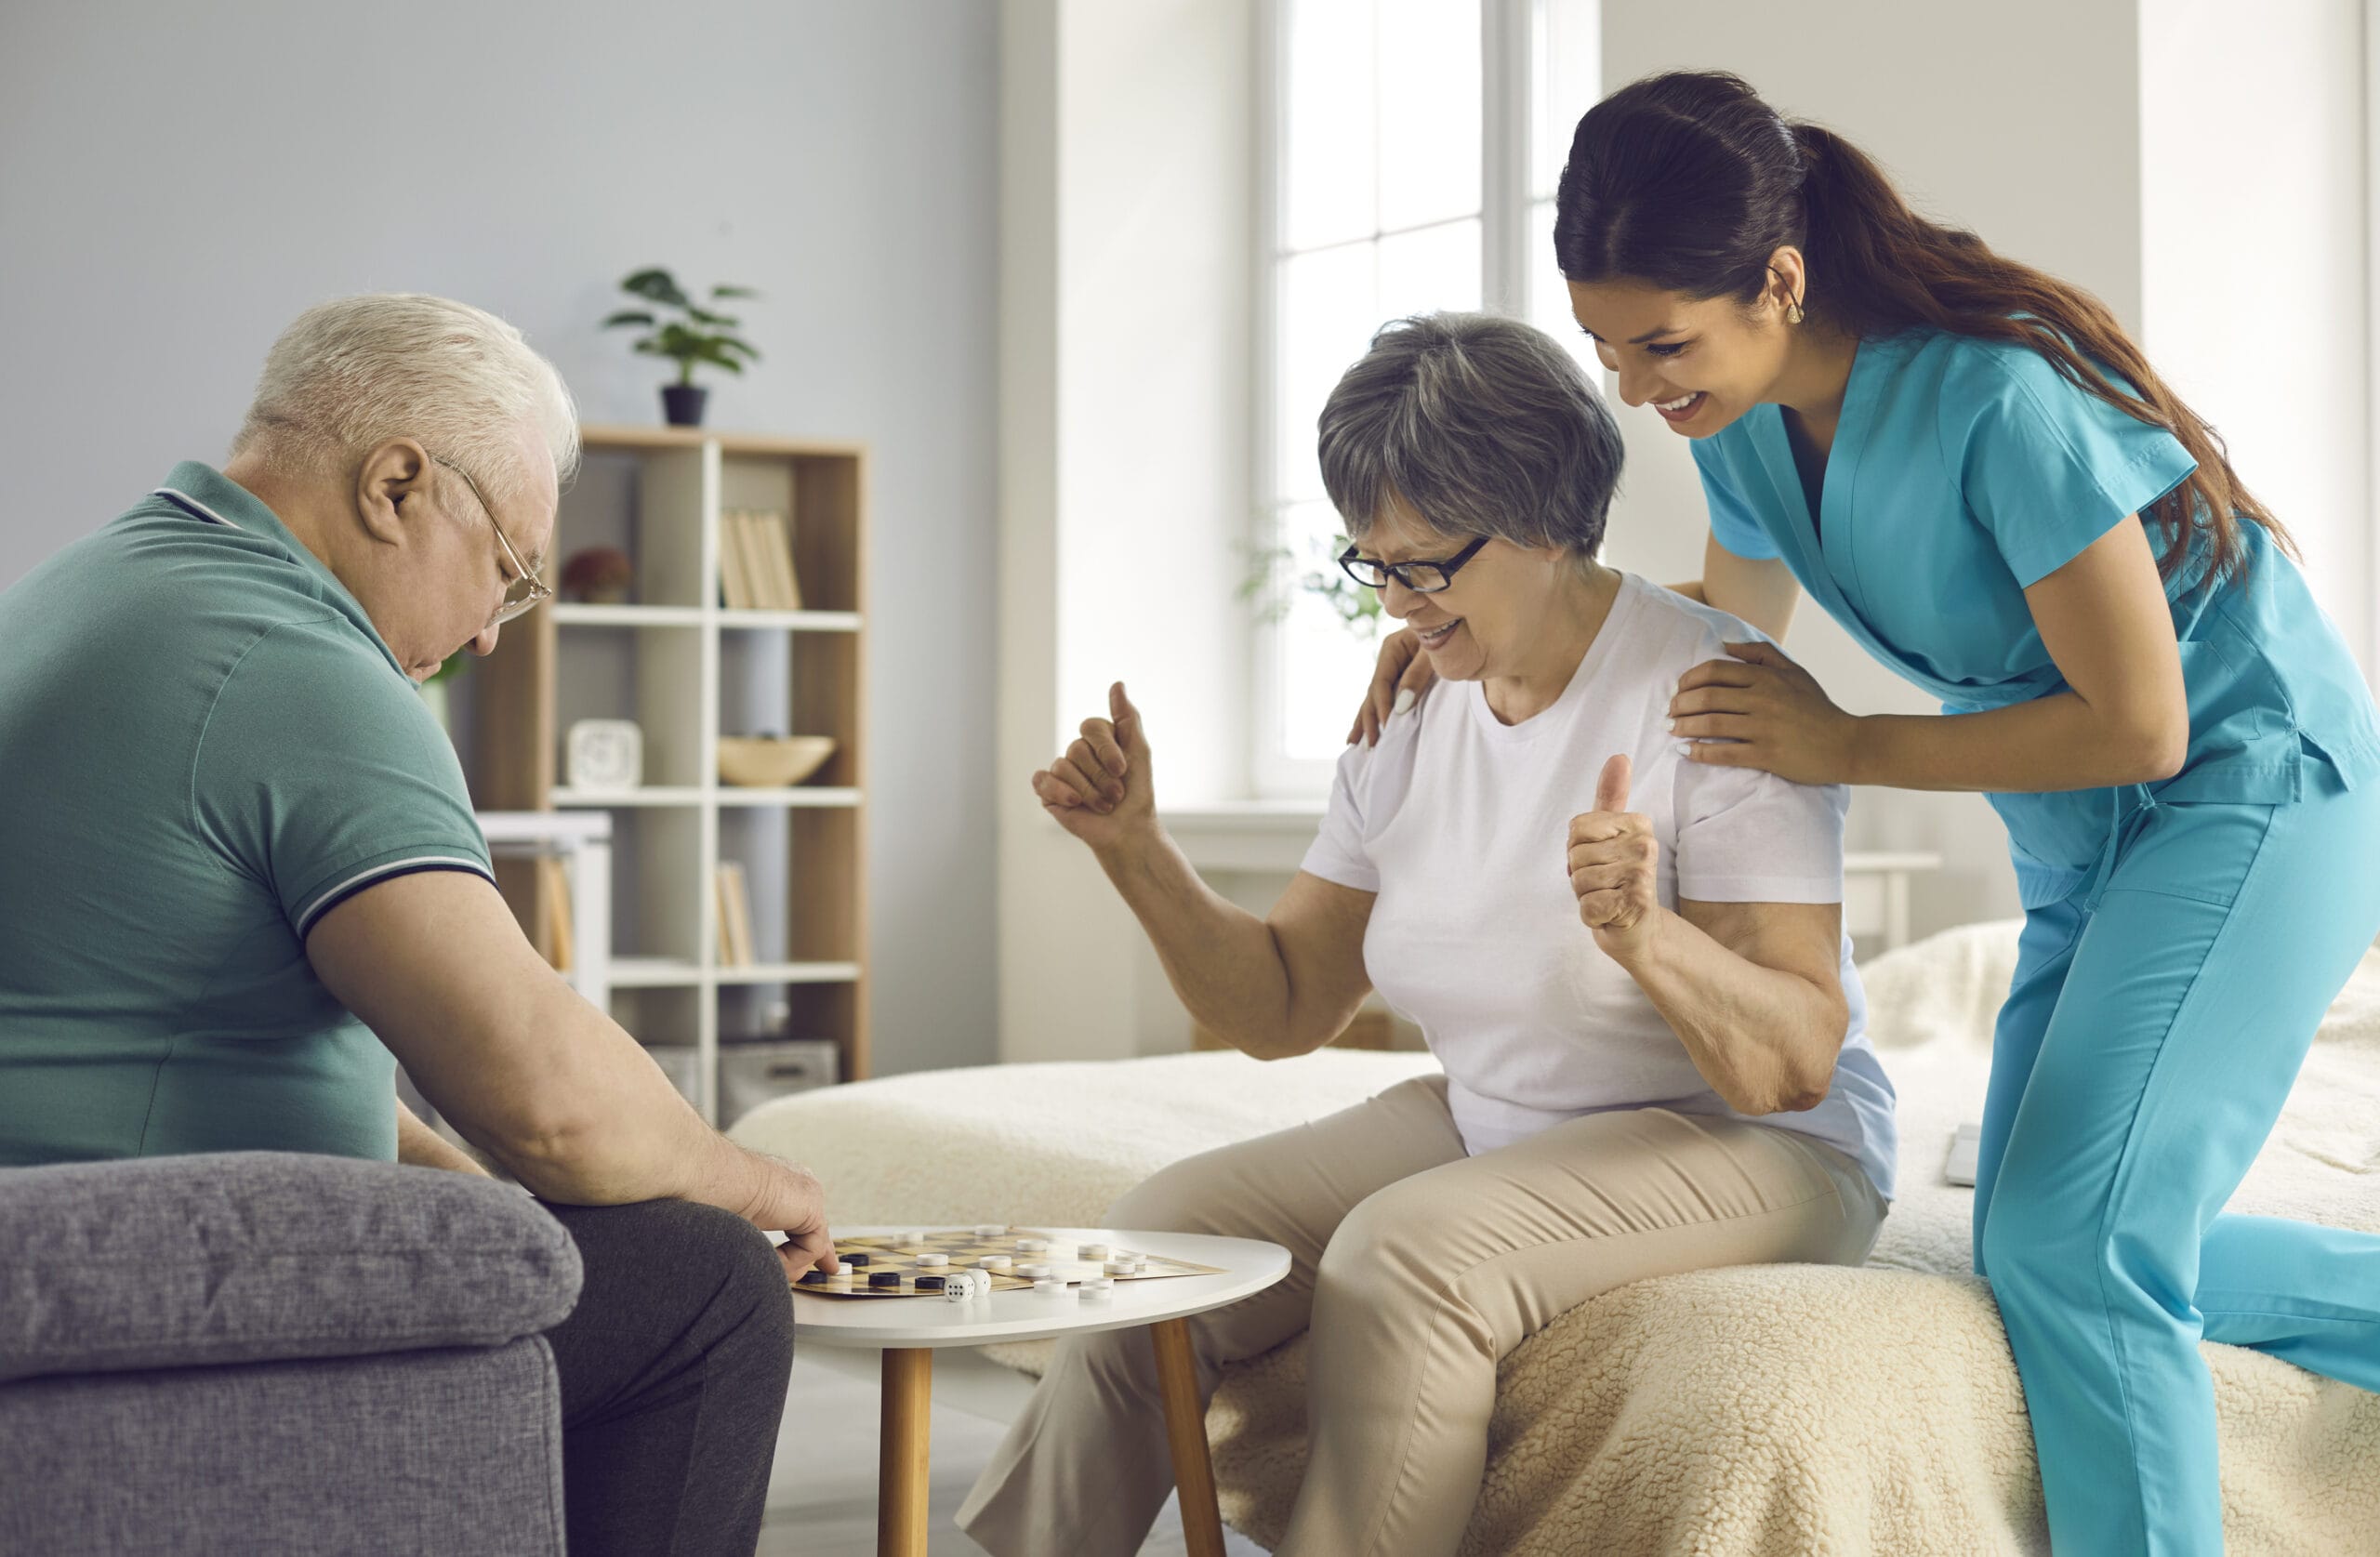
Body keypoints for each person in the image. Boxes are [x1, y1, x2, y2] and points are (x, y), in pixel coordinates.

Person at [1355, 71, 2380, 1557]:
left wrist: (1842, 744)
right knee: (2037, 1239)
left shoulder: (2002, 398)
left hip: (2244, 792)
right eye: (1606, 349)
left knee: (2077, 1243)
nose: (1637, 390)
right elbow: (1702, 630)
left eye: (1664, 343)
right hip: (2078, 826)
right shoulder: (1743, 427)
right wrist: (1464, 614)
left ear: (1779, 279)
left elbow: (2144, 720)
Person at [958, 310, 1897, 1557]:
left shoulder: (1717, 694)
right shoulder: (1413, 700)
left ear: (1552, 522)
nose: (1397, 603)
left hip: (1760, 1143)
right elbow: (1284, 1007)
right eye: (1373, 565)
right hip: (1499, 1113)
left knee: (1405, 1257)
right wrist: (1137, 852)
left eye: (1427, 566)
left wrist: (1644, 937)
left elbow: (1791, 1065)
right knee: (1155, 1245)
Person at [0, 294, 837, 1557]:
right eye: (508, 569)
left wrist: (496, 1199)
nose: (496, 631)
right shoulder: (297, 663)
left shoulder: (82, 590)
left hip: (55, 1234)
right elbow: (545, 1100)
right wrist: (755, 1181)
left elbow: (213, 1026)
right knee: (702, 1286)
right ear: (396, 484)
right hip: (143, 1270)